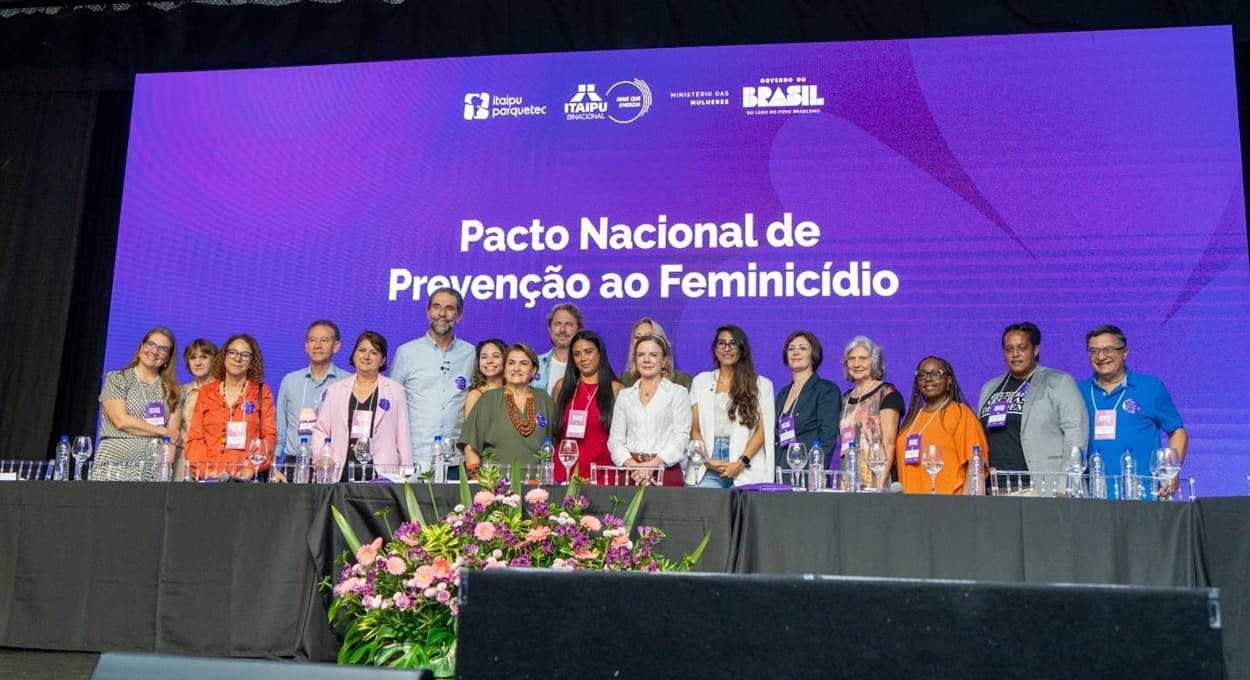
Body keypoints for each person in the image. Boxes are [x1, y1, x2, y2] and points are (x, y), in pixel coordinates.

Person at [977, 321, 1087, 473]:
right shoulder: (989, 387)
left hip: (1042, 481)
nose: (1015, 354)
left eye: (1022, 348)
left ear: (1035, 350)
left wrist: (1068, 481)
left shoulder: (1059, 381)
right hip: (995, 482)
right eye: (1009, 349)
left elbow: (1076, 435)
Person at [1078, 324, 1186, 473]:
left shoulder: (1151, 387)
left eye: (1108, 350)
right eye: (1094, 351)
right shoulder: (1078, 391)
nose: (1101, 357)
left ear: (1124, 353)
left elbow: (1177, 432)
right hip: (1090, 485)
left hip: (1142, 486)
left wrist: (1171, 471)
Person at [390, 287, 476, 468]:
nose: (442, 314)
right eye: (436, 307)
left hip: (456, 459)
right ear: (428, 312)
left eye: (449, 308)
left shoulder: (471, 353)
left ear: (459, 316)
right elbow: (392, 406)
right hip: (415, 458)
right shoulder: (406, 353)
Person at [313, 331, 412, 481]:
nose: (366, 356)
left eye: (374, 352)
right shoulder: (335, 390)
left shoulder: (395, 390)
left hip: (382, 474)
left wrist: (407, 473)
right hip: (342, 471)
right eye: (362, 350)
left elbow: (403, 435)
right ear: (354, 355)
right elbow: (321, 429)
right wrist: (322, 457)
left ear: (383, 360)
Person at [92, 327, 183, 481]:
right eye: (151, 344)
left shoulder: (174, 391)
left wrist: (164, 476)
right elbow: (121, 421)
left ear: (168, 358)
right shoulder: (117, 378)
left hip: (152, 469)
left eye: (163, 349)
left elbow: (172, 438)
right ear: (141, 347)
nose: (155, 351)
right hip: (114, 465)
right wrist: (161, 431)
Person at [689, 325, 775, 487]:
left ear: (742, 349)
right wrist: (706, 460)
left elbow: (762, 431)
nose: (727, 348)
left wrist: (740, 463)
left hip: (746, 464)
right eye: (722, 343)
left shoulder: (762, 385)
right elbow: (694, 429)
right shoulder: (701, 381)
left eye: (733, 343)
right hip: (708, 464)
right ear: (715, 350)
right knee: (704, 503)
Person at [185, 334, 277, 480]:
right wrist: (206, 471)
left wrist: (251, 467)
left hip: (246, 478)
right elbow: (196, 437)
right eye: (232, 352)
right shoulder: (206, 392)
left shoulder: (261, 392)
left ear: (252, 362)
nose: (237, 359)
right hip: (211, 477)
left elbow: (269, 436)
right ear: (224, 357)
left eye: (245, 355)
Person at [607, 333, 692, 486]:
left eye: (653, 355)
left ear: (664, 361)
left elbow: (681, 437)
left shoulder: (678, 393)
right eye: (640, 355)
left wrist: (653, 465)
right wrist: (633, 466)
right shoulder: (625, 396)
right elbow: (615, 440)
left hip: (666, 471)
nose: (646, 360)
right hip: (631, 473)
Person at [895, 356, 987, 494]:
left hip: (948, 504)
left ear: (949, 380)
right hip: (909, 504)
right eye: (922, 374)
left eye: (936, 373)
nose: (928, 378)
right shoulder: (912, 418)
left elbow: (975, 464)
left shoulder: (961, 413)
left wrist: (966, 504)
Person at [460, 343, 556, 473]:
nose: (516, 368)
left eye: (523, 363)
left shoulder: (544, 399)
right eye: (511, 363)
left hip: (536, 482)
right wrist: (478, 479)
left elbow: (554, 445)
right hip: (496, 482)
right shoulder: (488, 399)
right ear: (504, 369)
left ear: (533, 370)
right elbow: (470, 447)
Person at [275, 320, 352, 465]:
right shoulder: (290, 380)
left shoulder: (348, 382)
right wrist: (274, 465)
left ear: (336, 346)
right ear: (306, 346)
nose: (317, 345)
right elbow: (281, 429)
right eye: (312, 340)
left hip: (331, 463)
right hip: (294, 462)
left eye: (324, 340)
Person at [552, 330, 622, 482]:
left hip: (600, 472)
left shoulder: (616, 389)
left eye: (588, 352)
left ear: (600, 354)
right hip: (564, 469)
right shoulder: (561, 386)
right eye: (577, 354)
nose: (583, 358)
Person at [839, 336, 904, 490]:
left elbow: (889, 443)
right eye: (851, 359)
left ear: (874, 361)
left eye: (863, 358)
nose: (856, 364)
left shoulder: (887, 393)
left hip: (877, 479)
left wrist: (880, 486)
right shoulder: (845, 399)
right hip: (849, 480)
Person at [774, 330, 841, 459]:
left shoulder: (826, 390)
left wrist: (816, 467)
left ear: (813, 354)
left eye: (803, 348)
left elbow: (827, 439)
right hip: (779, 467)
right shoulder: (782, 394)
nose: (795, 352)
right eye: (791, 348)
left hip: (808, 467)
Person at [175, 338, 217, 481]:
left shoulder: (223, 390)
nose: (197, 363)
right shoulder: (182, 392)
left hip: (214, 458)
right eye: (193, 358)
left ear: (214, 360)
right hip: (184, 458)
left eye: (203, 357)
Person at [617, 317, 693, 390]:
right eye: (637, 337)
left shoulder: (682, 380)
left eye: (648, 335)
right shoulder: (623, 380)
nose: (642, 340)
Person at [531, 302, 584, 395]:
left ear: (579, 330)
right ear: (550, 330)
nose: (562, 329)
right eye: (557, 324)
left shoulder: (588, 366)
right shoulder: (535, 364)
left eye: (569, 324)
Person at [463, 338, 506, 418]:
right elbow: (470, 426)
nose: (489, 361)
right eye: (484, 357)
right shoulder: (475, 396)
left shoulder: (514, 393)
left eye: (496, 356)